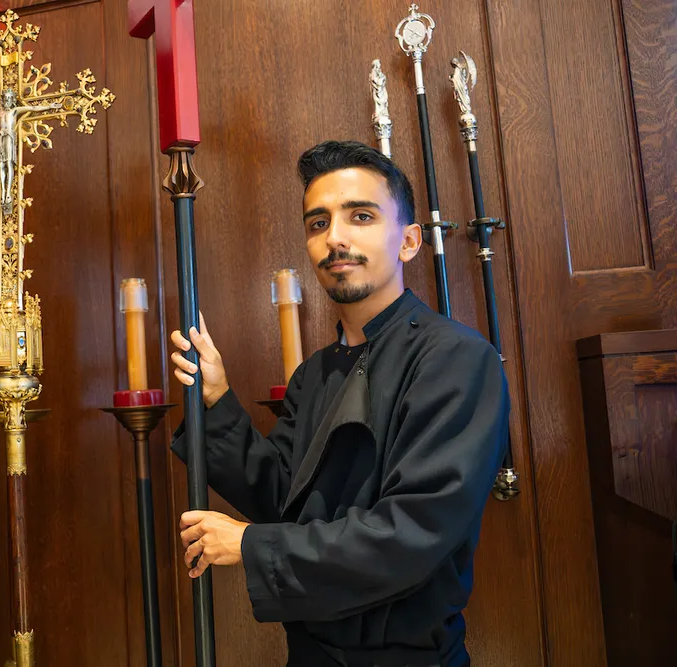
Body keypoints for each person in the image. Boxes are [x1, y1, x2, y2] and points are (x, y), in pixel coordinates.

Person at [169, 140, 509, 667]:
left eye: (361, 216)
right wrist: (217, 398)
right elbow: (281, 499)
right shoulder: (315, 373)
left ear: (409, 241)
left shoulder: (456, 358)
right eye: (318, 223)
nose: (335, 237)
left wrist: (251, 546)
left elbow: (412, 534)